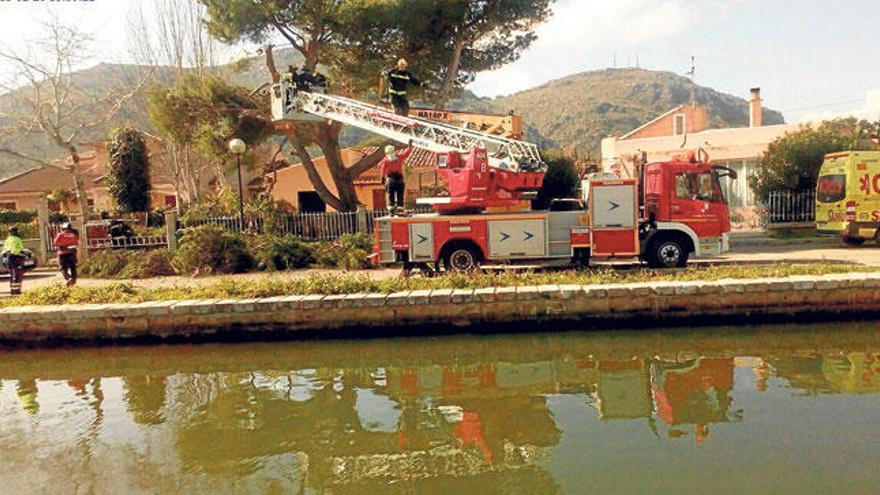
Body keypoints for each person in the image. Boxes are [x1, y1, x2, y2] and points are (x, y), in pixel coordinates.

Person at [380, 142, 414, 215]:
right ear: (394, 151)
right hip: (399, 180)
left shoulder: (385, 160)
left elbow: (382, 170)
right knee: (400, 195)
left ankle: (391, 211)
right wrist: (410, 146)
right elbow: (406, 153)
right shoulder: (399, 157)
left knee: (390, 195)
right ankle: (400, 209)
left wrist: (382, 178)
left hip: (391, 180)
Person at [53, 222, 79, 286]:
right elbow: (76, 243)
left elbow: (55, 243)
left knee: (62, 268)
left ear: (63, 228)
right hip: (72, 253)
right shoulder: (73, 235)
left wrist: (62, 245)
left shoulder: (60, 234)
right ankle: (74, 280)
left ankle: (68, 278)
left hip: (62, 254)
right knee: (73, 267)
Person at [2, 226, 25, 295]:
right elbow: (16, 249)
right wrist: (20, 254)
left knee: (12, 274)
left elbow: (4, 250)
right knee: (16, 274)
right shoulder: (17, 239)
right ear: (16, 231)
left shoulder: (8, 239)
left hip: (8, 258)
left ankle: (12, 290)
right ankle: (17, 291)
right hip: (15, 257)